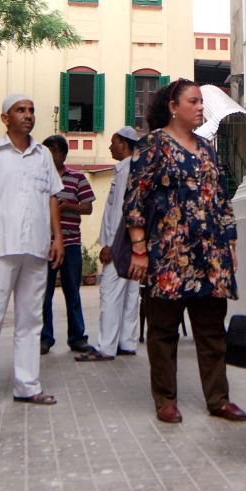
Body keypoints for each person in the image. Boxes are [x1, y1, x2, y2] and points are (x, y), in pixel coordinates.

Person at [123, 79, 246, 424]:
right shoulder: (153, 145)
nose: (199, 107)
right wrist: (139, 249)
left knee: (211, 331)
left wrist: (230, 244)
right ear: (173, 107)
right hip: (169, 254)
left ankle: (218, 399)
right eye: (193, 101)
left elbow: (221, 199)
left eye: (201, 102)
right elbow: (135, 199)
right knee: (163, 331)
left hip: (210, 255)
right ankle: (165, 399)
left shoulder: (207, 148)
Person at [0, 93, 64, 412]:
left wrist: (57, 238)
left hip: (35, 249)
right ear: (5, 119)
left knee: (31, 320)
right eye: (20, 110)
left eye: (32, 110)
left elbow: (52, 197)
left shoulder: (43, 156)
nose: (28, 115)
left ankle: (27, 385)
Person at [89, 126, 144, 360]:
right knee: (130, 293)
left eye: (113, 142)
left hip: (119, 243)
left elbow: (123, 210)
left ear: (124, 144)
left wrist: (110, 244)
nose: (110, 147)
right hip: (132, 242)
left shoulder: (125, 170)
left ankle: (106, 346)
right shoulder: (135, 168)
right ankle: (127, 342)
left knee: (110, 293)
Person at [39, 135, 95, 357]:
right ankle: (44, 338)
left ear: (63, 154)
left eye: (55, 151)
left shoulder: (77, 178)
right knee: (44, 295)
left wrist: (68, 205)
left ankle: (77, 338)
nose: (52, 156)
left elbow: (88, 207)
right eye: (48, 151)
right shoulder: (39, 179)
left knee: (73, 292)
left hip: (70, 243)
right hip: (45, 245)